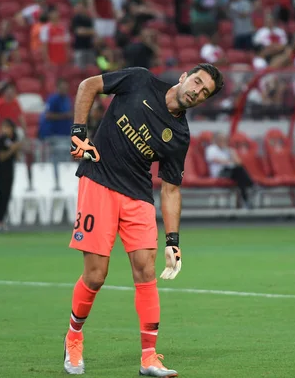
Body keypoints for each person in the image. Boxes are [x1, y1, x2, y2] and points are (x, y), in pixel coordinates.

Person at [63, 63, 223, 376]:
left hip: (137, 196)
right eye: (197, 82)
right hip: (98, 181)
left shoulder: (179, 135)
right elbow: (88, 86)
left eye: (204, 92)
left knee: (146, 270)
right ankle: (74, 337)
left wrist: (173, 242)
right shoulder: (139, 80)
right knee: (96, 275)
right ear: (184, 76)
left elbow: (171, 190)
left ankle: (149, 357)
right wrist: (78, 134)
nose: (197, 91)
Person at [205, 132, 254, 208]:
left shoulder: (228, 150)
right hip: (220, 172)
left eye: (224, 140)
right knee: (239, 172)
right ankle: (251, 185)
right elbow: (215, 160)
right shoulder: (212, 148)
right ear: (216, 140)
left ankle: (245, 200)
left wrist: (232, 153)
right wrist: (229, 161)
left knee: (240, 177)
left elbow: (239, 163)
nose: (222, 141)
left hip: (232, 171)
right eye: (220, 139)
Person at [0, 119, 22, 232]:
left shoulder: (13, 139)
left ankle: (2, 220)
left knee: (7, 196)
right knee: (2, 195)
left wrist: (16, 149)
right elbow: (2, 157)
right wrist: (12, 149)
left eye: (8, 127)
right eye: (4, 127)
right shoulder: (1, 140)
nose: (6, 130)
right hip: (1, 171)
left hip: (10, 170)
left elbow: (18, 157)